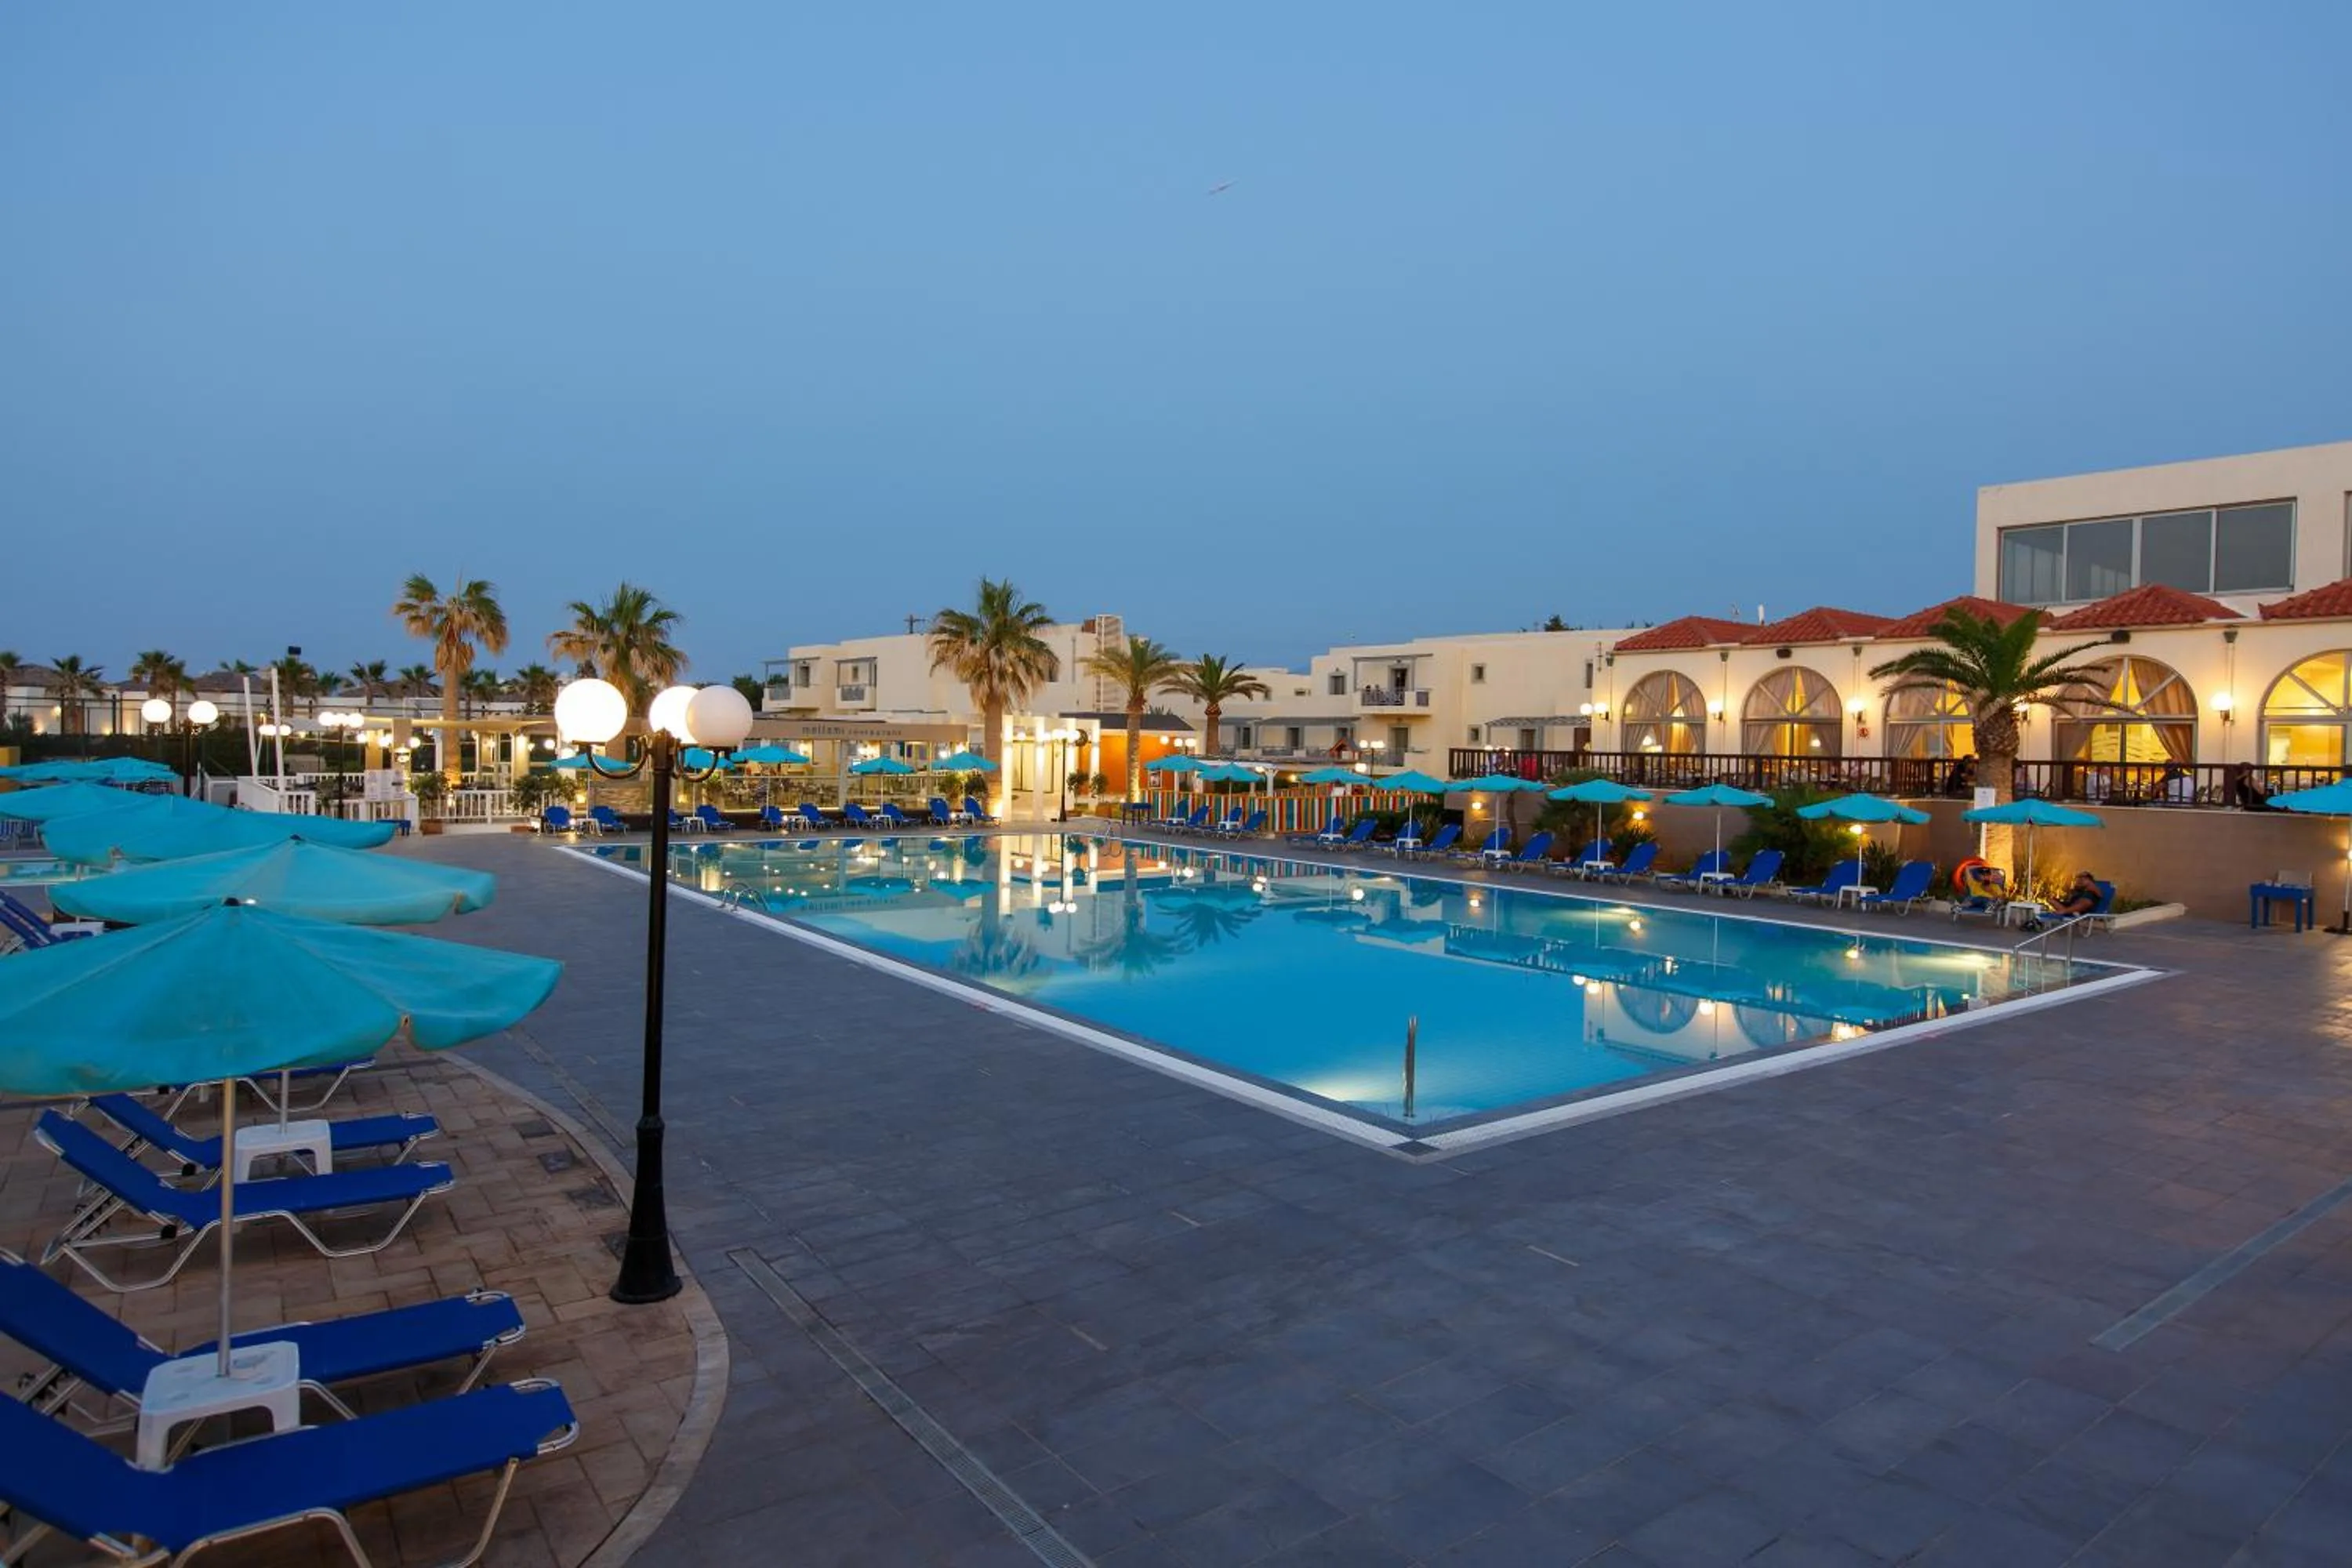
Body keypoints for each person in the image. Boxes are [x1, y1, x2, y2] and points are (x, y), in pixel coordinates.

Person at [2023, 872, 2102, 931]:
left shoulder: (2092, 889)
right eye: (2079, 879)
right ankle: (2066, 911)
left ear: (2089, 880)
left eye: (2082, 879)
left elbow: (2100, 895)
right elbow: (2070, 898)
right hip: (2070, 907)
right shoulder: (2079, 889)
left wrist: (2089, 886)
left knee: (2085, 902)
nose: (2079, 880)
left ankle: (2065, 912)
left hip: (2082, 908)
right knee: (2051, 899)